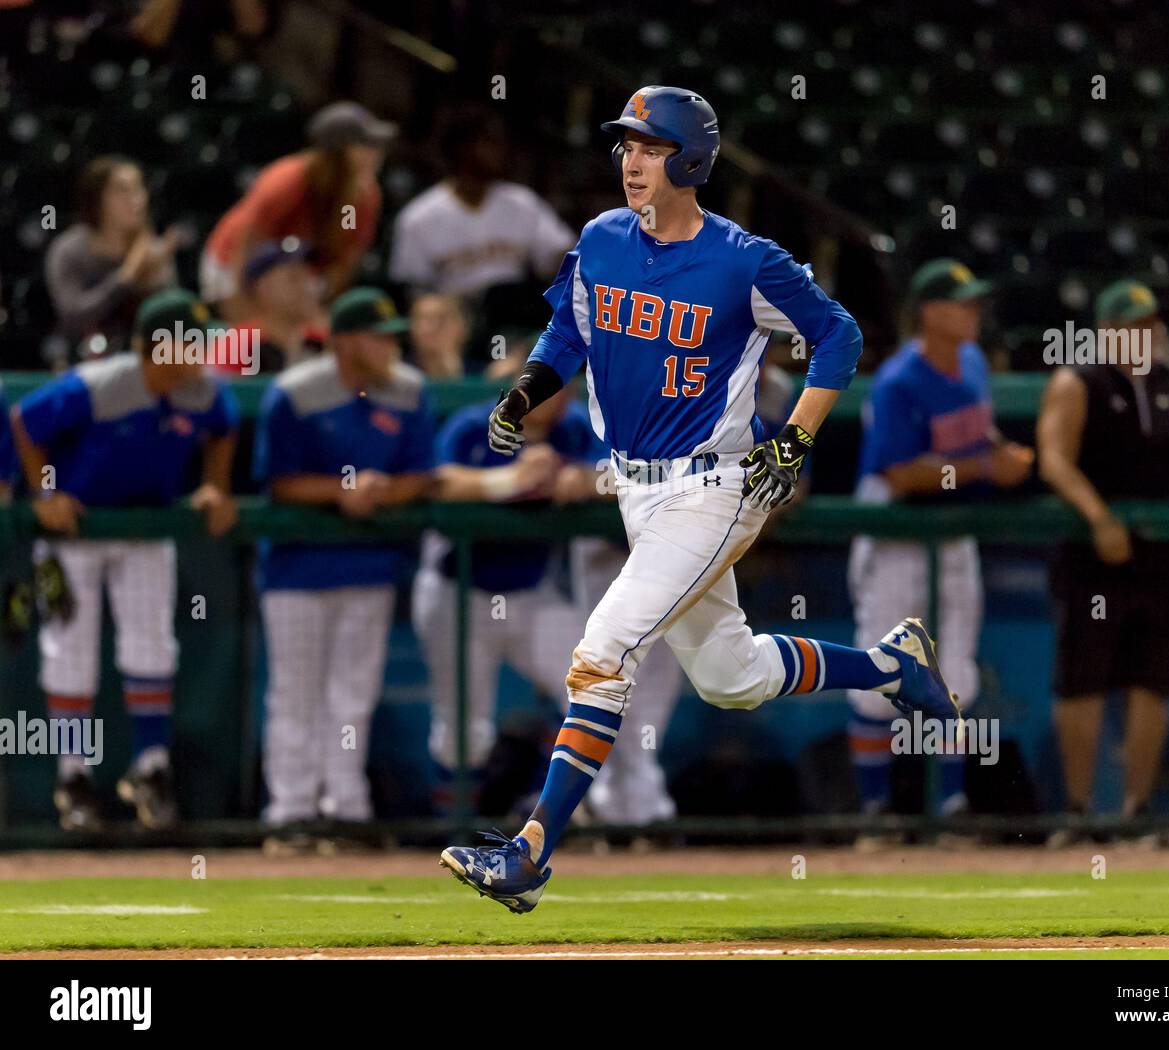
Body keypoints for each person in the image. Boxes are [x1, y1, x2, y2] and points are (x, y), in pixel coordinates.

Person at [440, 86, 959, 912]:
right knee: (730, 674)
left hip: (714, 485)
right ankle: (892, 664)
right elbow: (568, 332)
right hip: (634, 492)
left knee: (602, 651)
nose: (630, 161)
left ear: (688, 158)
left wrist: (794, 437)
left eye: (647, 147)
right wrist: (526, 390)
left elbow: (840, 335)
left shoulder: (743, 259)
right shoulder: (602, 239)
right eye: (625, 146)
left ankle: (530, 852)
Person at [9, 289, 238, 831]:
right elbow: (24, 421)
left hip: (146, 527)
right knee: (69, 652)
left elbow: (224, 431)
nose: (198, 354)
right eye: (187, 343)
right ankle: (73, 778)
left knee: (153, 647)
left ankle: (151, 770)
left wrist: (214, 486)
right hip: (74, 533)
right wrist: (45, 493)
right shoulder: (100, 383)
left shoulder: (204, 393)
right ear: (154, 348)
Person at [1037, 279, 1169, 843]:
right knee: (1082, 681)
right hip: (1091, 553)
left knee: (1153, 681)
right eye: (1137, 325)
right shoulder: (1078, 381)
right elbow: (1054, 459)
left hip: (1159, 553)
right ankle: (1078, 812)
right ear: (1108, 333)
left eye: (1154, 324)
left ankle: (1136, 811)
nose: (1151, 334)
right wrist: (1098, 516)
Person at [847, 260, 1033, 842]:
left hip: (951, 532)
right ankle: (876, 816)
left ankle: (949, 808)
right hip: (898, 531)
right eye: (962, 303)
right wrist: (984, 468)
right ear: (930, 312)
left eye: (976, 302)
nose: (974, 312)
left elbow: (976, 436)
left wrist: (1001, 453)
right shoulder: (900, 379)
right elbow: (901, 475)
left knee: (954, 678)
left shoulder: (973, 362)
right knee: (879, 677)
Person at [253, 287, 435, 846]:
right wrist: (342, 491)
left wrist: (384, 491)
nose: (389, 346)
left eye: (391, 336)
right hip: (297, 571)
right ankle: (290, 813)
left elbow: (421, 475)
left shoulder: (409, 390)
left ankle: (347, 809)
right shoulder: (294, 392)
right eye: (377, 336)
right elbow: (277, 482)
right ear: (345, 342)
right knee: (296, 693)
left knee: (353, 695)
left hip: (369, 567)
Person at [412, 373, 596, 811]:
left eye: (563, 387)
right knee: (462, 733)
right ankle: (456, 827)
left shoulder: (575, 426)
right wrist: (510, 481)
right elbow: (437, 483)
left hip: (533, 592)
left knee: (593, 689)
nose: (556, 399)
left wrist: (585, 480)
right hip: (460, 590)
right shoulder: (475, 424)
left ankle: (545, 805)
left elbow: (618, 471)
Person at [201, 101, 394, 320]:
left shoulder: (362, 198)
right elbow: (248, 243)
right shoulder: (288, 181)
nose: (376, 154)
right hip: (232, 263)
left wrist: (320, 309)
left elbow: (345, 260)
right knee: (248, 340)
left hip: (294, 271)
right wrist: (242, 303)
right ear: (336, 151)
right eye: (365, 145)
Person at [389, 107, 574, 301]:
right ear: (463, 148)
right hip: (454, 320)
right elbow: (412, 290)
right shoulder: (419, 217)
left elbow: (562, 257)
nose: (502, 150)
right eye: (491, 142)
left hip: (514, 316)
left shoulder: (522, 202)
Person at [45, 155, 178, 358]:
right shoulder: (68, 250)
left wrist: (152, 283)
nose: (136, 200)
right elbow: (73, 316)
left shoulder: (153, 251)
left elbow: (169, 324)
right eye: (122, 190)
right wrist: (125, 278)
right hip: (82, 359)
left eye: (139, 188)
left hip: (144, 364)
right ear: (97, 198)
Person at [212, 238, 323, 376]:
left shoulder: (319, 343)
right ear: (264, 288)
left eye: (309, 277)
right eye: (294, 278)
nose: (308, 287)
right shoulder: (238, 347)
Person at [409, 293, 469, 378]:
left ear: (461, 326)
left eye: (441, 319)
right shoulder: (398, 375)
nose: (431, 328)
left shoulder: (484, 374)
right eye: (423, 319)